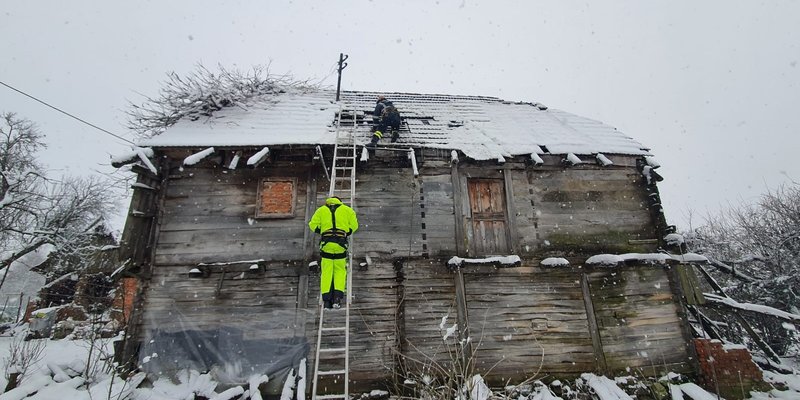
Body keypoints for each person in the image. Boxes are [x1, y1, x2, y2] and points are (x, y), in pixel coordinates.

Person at [308, 196, 359, 309]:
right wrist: (347, 232)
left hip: (327, 245)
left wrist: (322, 231)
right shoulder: (347, 210)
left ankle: (326, 300)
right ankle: (337, 298)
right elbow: (355, 226)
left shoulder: (321, 210)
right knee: (340, 272)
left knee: (326, 272)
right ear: (339, 201)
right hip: (340, 245)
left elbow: (312, 225)